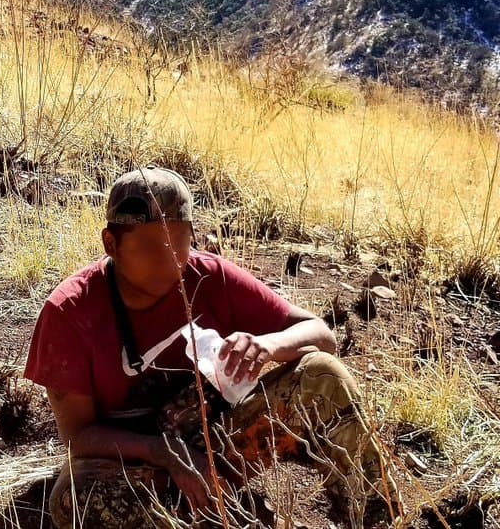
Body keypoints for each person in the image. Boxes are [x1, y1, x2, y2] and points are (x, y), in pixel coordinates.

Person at [24, 167, 397, 528]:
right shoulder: (70, 312)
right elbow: (79, 436)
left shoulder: (211, 278)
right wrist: (163, 453)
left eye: (180, 242)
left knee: (321, 375)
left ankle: (378, 517)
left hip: (217, 444)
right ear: (111, 244)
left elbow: (321, 336)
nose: (168, 260)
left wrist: (267, 345)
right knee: (75, 502)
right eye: (150, 245)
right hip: (133, 461)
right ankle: (217, 515)